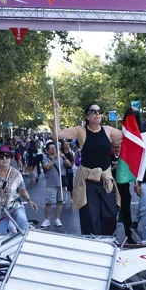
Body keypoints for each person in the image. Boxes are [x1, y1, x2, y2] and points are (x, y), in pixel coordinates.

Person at [52, 101, 123, 236]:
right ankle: (94, 243)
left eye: (99, 111)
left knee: (110, 213)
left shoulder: (107, 130)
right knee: (91, 216)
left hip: (105, 179)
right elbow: (57, 135)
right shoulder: (81, 131)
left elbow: (129, 135)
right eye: (93, 111)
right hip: (88, 181)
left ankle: (107, 240)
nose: (97, 114)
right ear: (87, 116)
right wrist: (56, 112)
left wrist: (133, 116)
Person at [0, 145, 38, 234]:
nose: (4, 158)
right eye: (1, 156)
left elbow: (22, 190)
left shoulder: (16, 174)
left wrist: (29, 201)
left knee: (22, 221)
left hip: (14, 205)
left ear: (10, 158)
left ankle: (25, 236)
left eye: (7, 156)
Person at [42, 140, 72, 228]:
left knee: (60, 201)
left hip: (62, 183)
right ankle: (47, 219)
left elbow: (69, 165)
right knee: (49, 202)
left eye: (54, 148)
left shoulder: (61, 157)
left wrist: (64, 158)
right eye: (51, 148)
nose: (53, 149)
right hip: (51, 184)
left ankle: (57, 219)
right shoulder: (45, 158)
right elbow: (47, 167)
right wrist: (54, 160)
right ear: (47, 150)